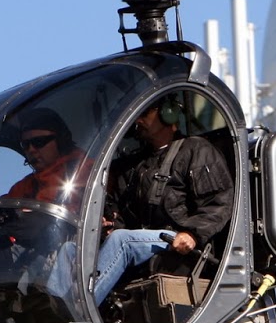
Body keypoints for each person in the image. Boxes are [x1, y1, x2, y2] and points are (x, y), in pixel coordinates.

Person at [50, 97, 234, 308]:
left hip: (177, 238)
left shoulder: (196, 150)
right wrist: (108, 224)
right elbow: (121, 212)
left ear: (168, 113)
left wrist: (192, 233)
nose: (138, 120)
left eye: (145, 113)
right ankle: (53, 315)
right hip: (141, 240)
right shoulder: (135, 164)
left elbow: (219, 201)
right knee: (70, 250)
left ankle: (80, 310)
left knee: (122, 241)